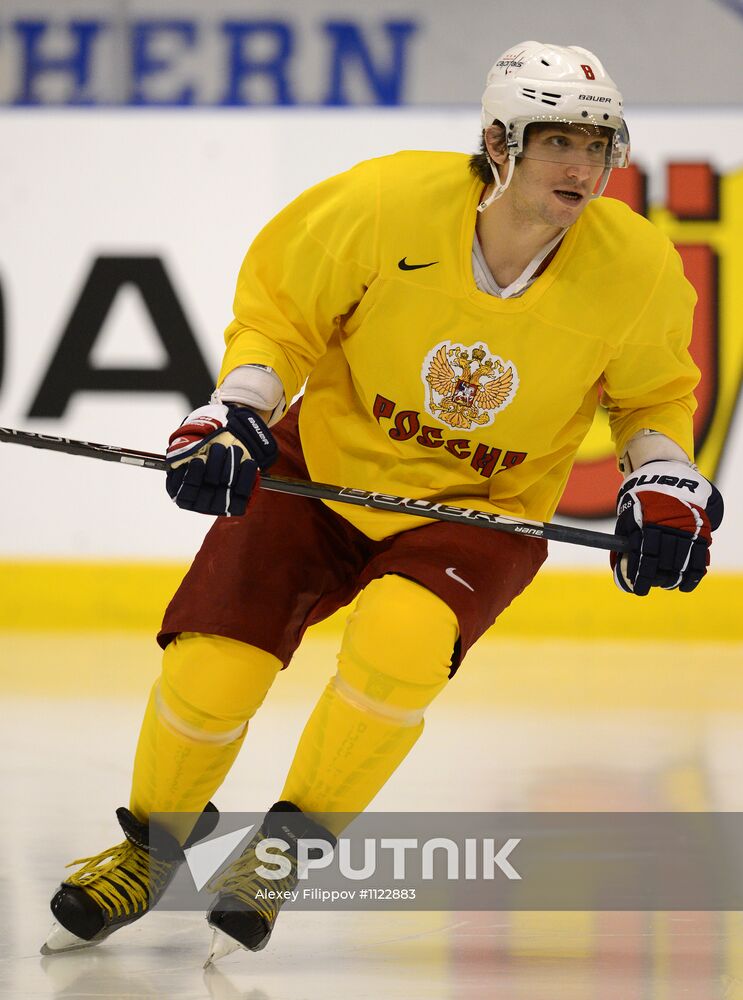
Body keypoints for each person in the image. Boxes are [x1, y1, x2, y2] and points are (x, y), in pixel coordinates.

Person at [43, 40, 723, 963]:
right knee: (212, 672)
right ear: (497, 138)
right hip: (317, 471)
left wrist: (662, 479)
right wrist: (237, 411)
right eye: (558, 140)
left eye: (598, 145)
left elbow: (648, 398)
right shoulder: (380, 201)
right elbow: (280, 320)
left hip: (476, 508)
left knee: (400, 643)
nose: (582, 166)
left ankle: (280, 854)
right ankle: (149, 850)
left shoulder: (635, 263)